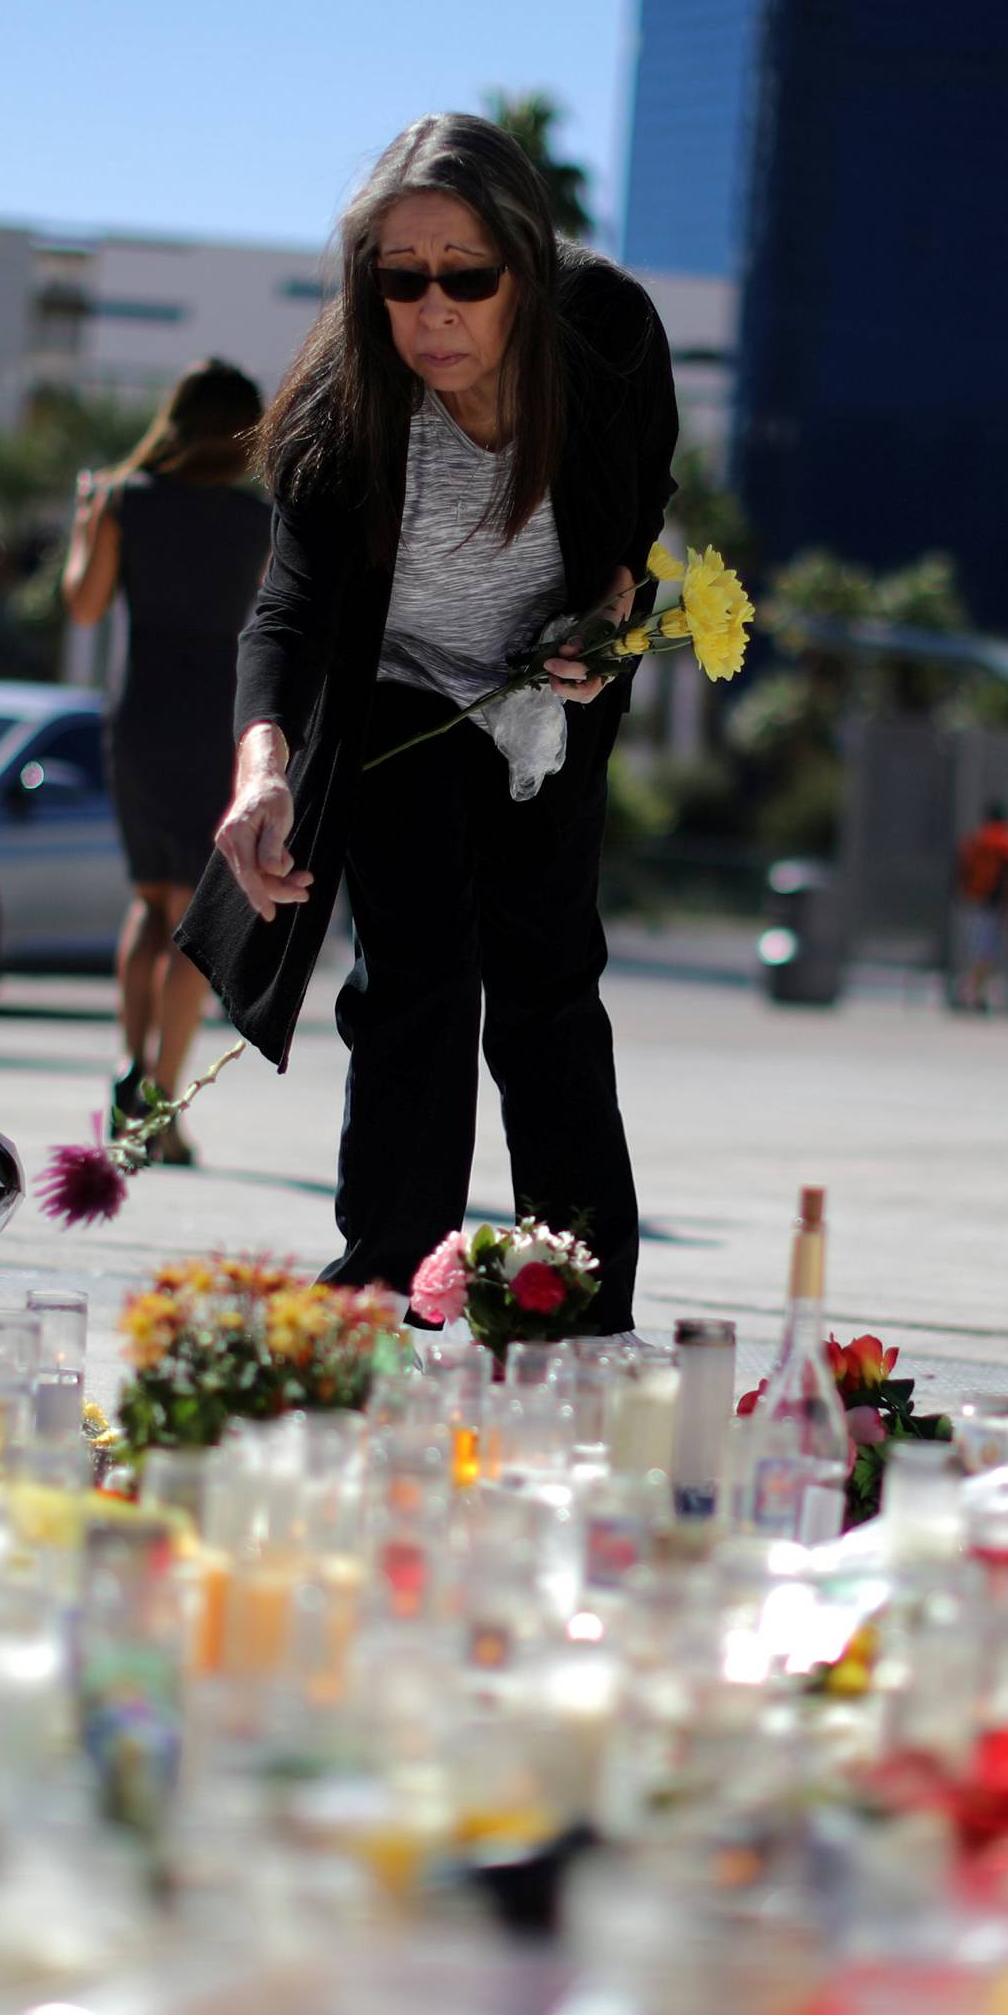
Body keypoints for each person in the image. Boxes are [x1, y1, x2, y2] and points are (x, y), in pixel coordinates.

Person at [175, 113, 679, 1331]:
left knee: (549, 979)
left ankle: (576, 1292)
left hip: (542, 695)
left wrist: (609, 616)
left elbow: (635, 521)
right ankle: (390, 1283)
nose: (433, 310)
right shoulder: (341, 408)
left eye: (467, 275)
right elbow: (288, 616)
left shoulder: (606, 338)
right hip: (400, 696)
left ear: (525, 264)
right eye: (402, 280)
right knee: (417, 980)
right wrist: (261, 774)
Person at [63, 360, 270, 1162]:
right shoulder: (257, 520)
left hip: (141, 711)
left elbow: (83, 605)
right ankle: (162, 1106)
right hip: (216, 712)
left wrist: (89, 522)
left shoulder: (123, 502)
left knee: (151, 902)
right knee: (195, 918)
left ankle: (129, 1065)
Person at [953, 802, 1008, 1013]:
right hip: (1001, 904)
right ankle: (986, 995)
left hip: (976, 900)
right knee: (995, 952)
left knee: (979, 950)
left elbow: (962, 868)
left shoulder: (977, 839)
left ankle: (972, 992)